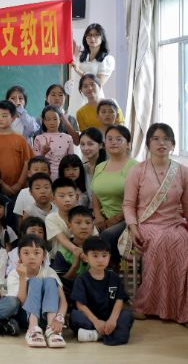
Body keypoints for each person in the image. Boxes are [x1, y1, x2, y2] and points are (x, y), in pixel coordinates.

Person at [122, 123, 188, 324]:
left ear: (173, 144)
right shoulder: (137, 171)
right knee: (159, 242)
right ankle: (147, 305)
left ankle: (180, 307)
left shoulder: (182, 171)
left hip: (174, 223)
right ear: (148, 144)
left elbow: (186, 206)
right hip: (146, 223)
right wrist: (133, 227)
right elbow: (128, 204)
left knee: (183, 242)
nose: (162, 143)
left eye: (166, 139)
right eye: (156, 139)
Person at [70, 236, 134, 345]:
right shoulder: (81, 279)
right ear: (86, 257)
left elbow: (119, 300)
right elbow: (80, 305)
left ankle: (96, 335)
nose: (100, 260)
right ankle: (109, 333)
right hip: (90, 318)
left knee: (127, 314)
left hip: (109, 317)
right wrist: (96, 322)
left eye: (104, 255)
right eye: (95, 256)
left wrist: (113, 319)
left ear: (109, 257)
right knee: (75, 315)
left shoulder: (114, 277)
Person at [7, 234, 67, 348]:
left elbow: (63, 300)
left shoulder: (49, 271)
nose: (31, 257)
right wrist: (22, 277)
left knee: (50, 280)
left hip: (47, 317)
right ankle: (32, 329)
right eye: (26, 253)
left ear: (44, 256)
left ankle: (52, 330)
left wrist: (59, 319)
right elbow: (22, 302)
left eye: (36, 253)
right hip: (26, 317)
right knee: (35, 281)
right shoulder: (14, 274)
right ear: (19, 256)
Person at [92, 125, 137, 262]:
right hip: (103, 217)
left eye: (119, 139)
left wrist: (115, 219)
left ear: (128, 144)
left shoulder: (135, 167)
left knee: (106, 236)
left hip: (127, 219)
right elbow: (95, 194)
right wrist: (98, 216)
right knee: (82, 231)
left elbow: (139, 200)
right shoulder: (100, 166)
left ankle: (110, 270)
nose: (113, 142)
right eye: (109, 139)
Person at [0, 100, 33, 197]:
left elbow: (27, 163)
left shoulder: (21, 140)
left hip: (20, 189)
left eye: (4, 116)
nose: (0, 119)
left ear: (13, 118)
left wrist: (19, 184)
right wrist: (2, 185)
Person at [68, 23, 115, 114]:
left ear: (102, 37)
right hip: (76, 96)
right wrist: (74, 58)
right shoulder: (81, 56)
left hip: (93, 98)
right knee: (74, 120)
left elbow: (99, 82)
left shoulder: (107, 59)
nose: (92, 38)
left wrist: (79, 71)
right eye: (89, 35)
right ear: (85, 38)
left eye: (96, 35)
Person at [52, 206, 94, 297]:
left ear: (93, 226)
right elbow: (61, 281)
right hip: (71, 292)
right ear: (69, 226)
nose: (84, 227)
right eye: (78, 223)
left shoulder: (99, 248)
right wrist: (75, 265)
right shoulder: (63, 252)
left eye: (88, 223)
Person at [33, 105, 74, 180]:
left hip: (63, 177)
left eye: (55, 119)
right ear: (43, 121)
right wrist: (43, 153)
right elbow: (35, 163)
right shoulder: (38, 138)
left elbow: (71, 161)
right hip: (44, 177)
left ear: (60, 119)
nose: (52, 122)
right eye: (48, 119)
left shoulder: (68, 138)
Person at [80, 127, 106, 203]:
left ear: (100, 145)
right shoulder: (82, 168)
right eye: (82, 144)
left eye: (90, 144)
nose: (85, 148)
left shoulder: (107, 167)